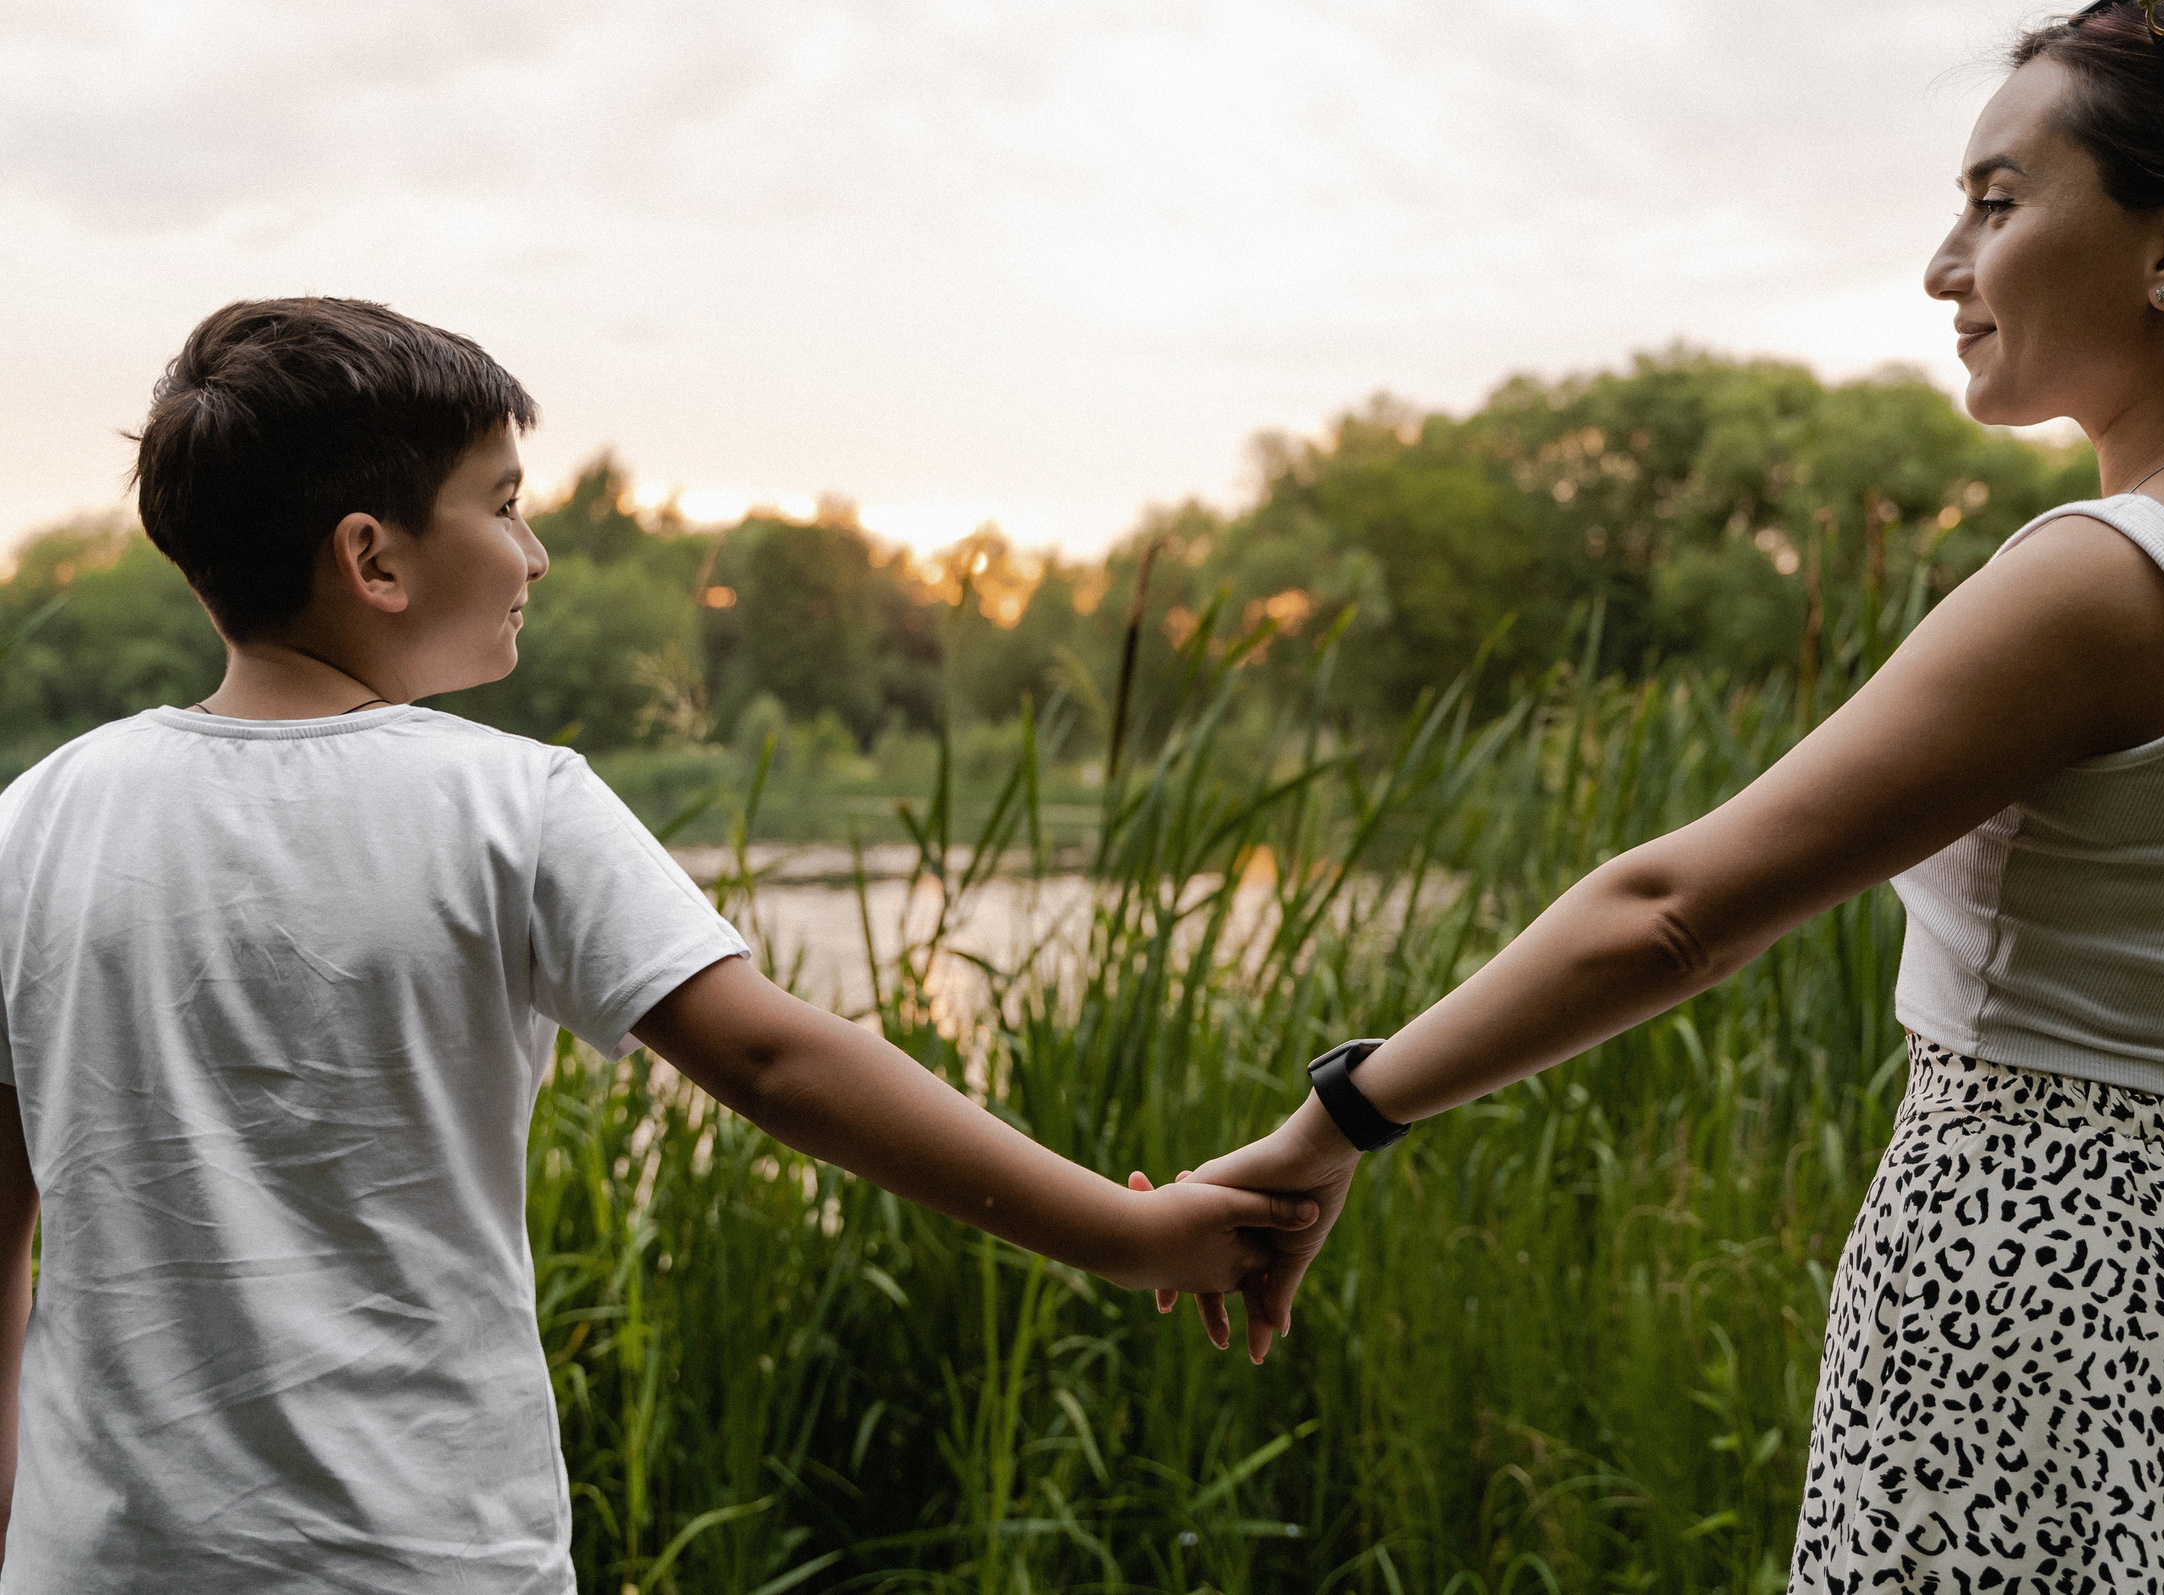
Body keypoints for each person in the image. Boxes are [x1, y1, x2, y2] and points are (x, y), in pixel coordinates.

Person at [1184, 0, 2164, 1589]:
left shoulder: (2105, 582)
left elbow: (1673, 914)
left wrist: (1340, 1117)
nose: (1946, 268)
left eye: (1996, 206)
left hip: (2015, 1290)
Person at [0, 297, 1315, 1591]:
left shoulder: (36, 818)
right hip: (419, 1559)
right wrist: (1130, 1235)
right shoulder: (511, 804)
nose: (538, 552)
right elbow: (773, 1059)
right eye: (506, 503)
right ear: (375, 559)